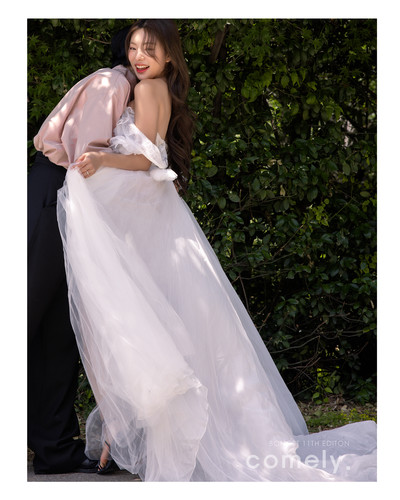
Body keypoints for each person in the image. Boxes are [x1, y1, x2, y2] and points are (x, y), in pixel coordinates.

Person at [57, 19, 377, 481]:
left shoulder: (146, 89)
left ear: (169, 54)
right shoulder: (159, 89)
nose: (139, 57)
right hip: (158, 211)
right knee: (170, 315)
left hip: (147, 206)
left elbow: (147, 159)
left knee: (142, 314)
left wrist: (102, 159)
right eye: (133, 47)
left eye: (149, 48)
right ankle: (137, 431)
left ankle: (149, 432)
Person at [28, 25, 136, 475]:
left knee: (59, 330)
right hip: (57, 193)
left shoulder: (129, 91)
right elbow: (83, 160)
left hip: (71, 201)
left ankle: (55, 449)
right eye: (140, 46)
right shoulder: (112, 83)